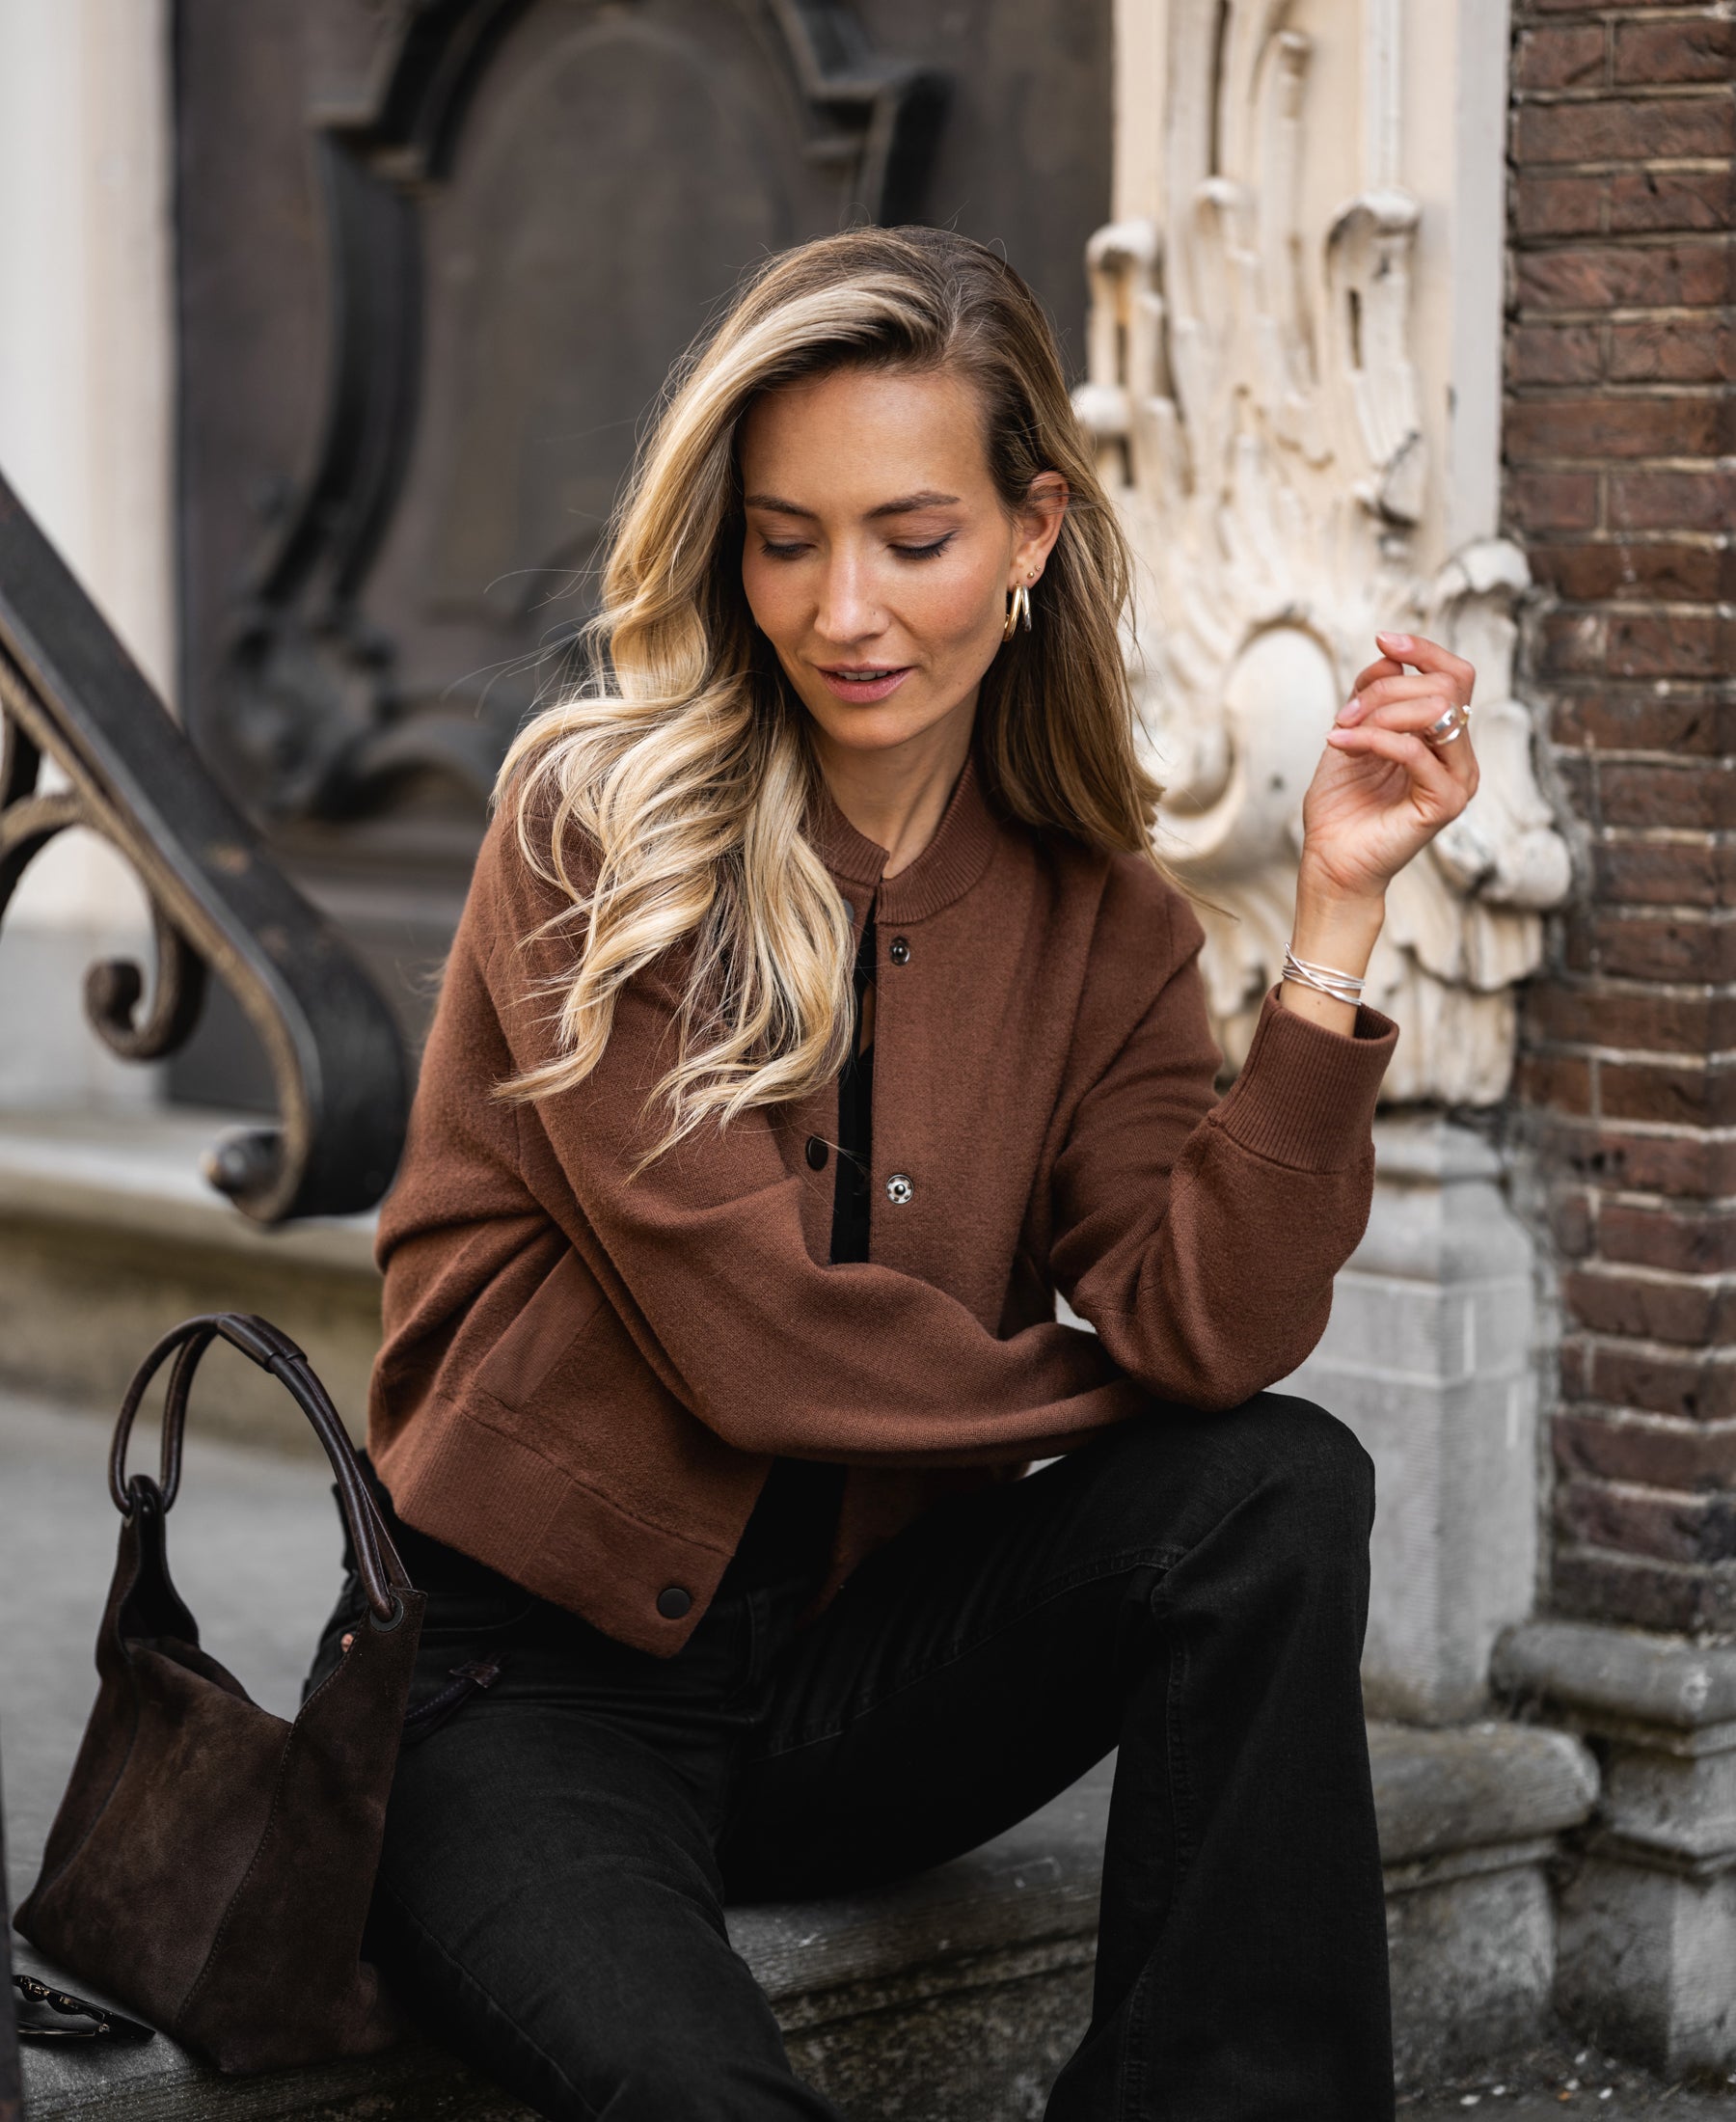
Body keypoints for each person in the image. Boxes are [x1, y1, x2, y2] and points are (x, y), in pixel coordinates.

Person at [307, 225, 1479, 2120]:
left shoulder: (1100, 917)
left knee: (1275, 1484)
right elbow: (759, 1346)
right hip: (527, 1697)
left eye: (909, 538)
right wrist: (1116, 1386)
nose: (843, 605)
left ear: (1028, 533)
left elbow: (1219, 1321)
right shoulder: (599, 834)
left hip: (857, 1684)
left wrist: (1337, 913)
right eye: (787, 537)